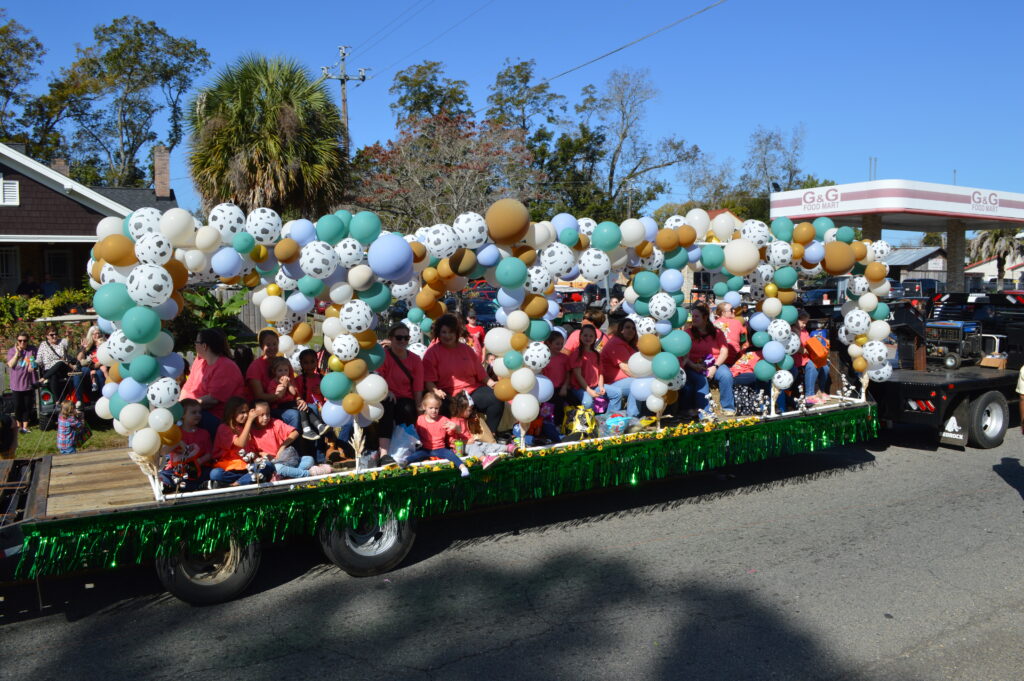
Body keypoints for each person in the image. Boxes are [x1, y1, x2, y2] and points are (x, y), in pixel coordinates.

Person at [422, 314, 504, 435]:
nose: (447, 335)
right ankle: (445, 441)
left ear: (457, 333)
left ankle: (491, 435)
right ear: (439, 333)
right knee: (439, 407)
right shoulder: (432, 352)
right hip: (448, 393)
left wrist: (492, 383)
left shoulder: (466, 349)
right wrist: (436, 391)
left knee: (495, 399)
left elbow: (481, 373)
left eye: (451, 332)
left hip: (471, 390)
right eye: (444, 332)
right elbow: (428, 380)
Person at [180, 328, 246, 440]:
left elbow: (212, 400)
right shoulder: (200, 361)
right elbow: (187, 387)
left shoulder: (226, 366)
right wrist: (179, 406)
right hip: (194, 409)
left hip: (216, 416)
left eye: (196, 342)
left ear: (204, 346)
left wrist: (184, 409)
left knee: (192, 418)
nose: (195, 345)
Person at [377, 323, 425, 460]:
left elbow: (417, 386)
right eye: (399, 338)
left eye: (406, 338)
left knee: (408, 410)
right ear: (391, 338)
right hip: (386, 395)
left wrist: (419, 406)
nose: (403, 341)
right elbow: (378, 377)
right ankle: (384, 453)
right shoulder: (384, 356)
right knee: (386, 407)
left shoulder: (415, 360)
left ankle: (406, 451)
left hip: (405, 398)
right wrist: (386, 391)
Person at [247, 400, 329, 479]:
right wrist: (260, 454)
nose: (265, 418)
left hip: (285, 460)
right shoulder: (250, 431)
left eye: (268, 414)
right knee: (278, 468)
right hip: (271, 464)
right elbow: (251, 452)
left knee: (309, 459)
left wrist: (282, 446)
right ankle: (309, 473)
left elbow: (295, 432)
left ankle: (288, 474)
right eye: (261, 415)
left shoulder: (274, 423)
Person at [683, 303, 735, 418]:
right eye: (693, 316)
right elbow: (685, 357)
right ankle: (705, 413)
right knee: (701, 380)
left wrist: (715, 367)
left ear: (705, 318)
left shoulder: (717, 333)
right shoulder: (688, 334)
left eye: (696, 316)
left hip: (714, 363)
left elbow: (724, 352)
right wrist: (694, 366)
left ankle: (728, 407)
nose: (693, 319)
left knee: (726, 375)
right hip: (694, 366)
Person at [210, 397, 276, 486]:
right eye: (242, 412)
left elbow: (251, 451)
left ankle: (236, 484)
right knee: (215, 474)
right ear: (232, 413)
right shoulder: (224, 428)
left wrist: (260, 455)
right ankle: (246, 480)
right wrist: (249, 421)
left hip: (247, 468)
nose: (246, 415)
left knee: (267, 465)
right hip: (230, 469)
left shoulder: (245, 428)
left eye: (247, 412)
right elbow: (241, 444)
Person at [246, 329, 303, 431]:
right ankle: (293, 446)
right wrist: (277, 396)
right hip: (267, 408)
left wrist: (299, 399)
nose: (272, 348)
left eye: (275, 344)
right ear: (261, 346)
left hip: (287, 403)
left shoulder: (284, 363)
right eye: (268, 345)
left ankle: (318, 445)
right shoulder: (255, 367)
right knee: (294, 415)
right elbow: (258, 396)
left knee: (311, 408)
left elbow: (293, 386)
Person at [408, 392, 471, 477]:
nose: (434, 410)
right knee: (415, 455)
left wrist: (454, 427)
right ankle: (402, 463)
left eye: (436, 408)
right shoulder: (420, 420)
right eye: (431, 408)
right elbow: (416, 434)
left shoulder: (443, 419)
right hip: (425, 449)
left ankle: (463, 468)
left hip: (440, 448)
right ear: (424, 407)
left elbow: (455, 431)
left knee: (450, 454)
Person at [449, 391, 511, 468]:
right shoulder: (454, 422)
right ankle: (484, 460)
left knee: (484, 445)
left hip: (471, 443)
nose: (470, 412)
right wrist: (466, 441)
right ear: (460, 409)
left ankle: (507, 448)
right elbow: (452, 441)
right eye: (469, 410)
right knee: (473, 447)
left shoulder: (464, 420)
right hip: (460, 448)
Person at [600, 317, 640, 417]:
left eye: (633, 328)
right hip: (611, 383)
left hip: (623, 381)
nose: (631, 330)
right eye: (627, 327)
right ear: (621, 330)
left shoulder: (628, 345)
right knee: (637, 384)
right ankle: (632, 417)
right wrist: (642, 378)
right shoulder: (616, 342)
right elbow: (625, 367)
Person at [293, 348, 330, 443]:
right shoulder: (298, 380)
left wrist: (322, 390)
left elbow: (329, 397)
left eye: (312, 362)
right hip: (308, 413)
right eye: (306, 362)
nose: (309, 365)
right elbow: (297, 397)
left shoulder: (322, 378)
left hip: (323, 412)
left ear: (317, 362)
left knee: (326, 434)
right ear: (301, 364)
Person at [795, 310, 830, 405]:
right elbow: (797, 347)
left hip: (807, 357)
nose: (804, 325)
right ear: (796, 320)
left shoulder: (804, 331)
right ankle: (809, 395)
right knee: (812, 365)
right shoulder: (794, 331)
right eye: (803, 322)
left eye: (806, 323)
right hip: (799, 359)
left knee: (825, 366)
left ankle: (820, 391)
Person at [568, 324, 605, 409]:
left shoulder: (596, 354)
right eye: (585, 335)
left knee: (616, 393)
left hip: (594, 386)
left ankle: (608, 417)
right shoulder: (577, 354)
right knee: (587, 402)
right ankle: (585, 420)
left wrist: (601, 386)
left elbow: (600, 373)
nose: (588, 338)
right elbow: (578, 375)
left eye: (591, 336)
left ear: (595, 338)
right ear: (580, 336)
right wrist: (589, 390)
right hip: (579, 388)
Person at [7, 333, 38, 433]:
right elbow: (11, 364)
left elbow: (37, 362)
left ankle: (25, 427)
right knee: (17, 405)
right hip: (16, 383)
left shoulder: (32, 350)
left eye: (25, 340)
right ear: (17, 341)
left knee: (27, 405)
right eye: (20, 340)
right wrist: (17, 353)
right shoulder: (12, 351)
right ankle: (18, 425)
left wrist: (33, 365)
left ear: (27, 341)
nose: (22, 342)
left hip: (28, 382)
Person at [37, 327, 75, 403]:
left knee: (60, 362)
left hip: (62, 369)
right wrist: (33, 364)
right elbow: (39, 359)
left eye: (56, 334)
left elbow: (69, 342)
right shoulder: (43, 345)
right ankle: (58, 401)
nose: (54, 336)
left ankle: (42, 379)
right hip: (49, 371)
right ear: (47, 336)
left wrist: (69, 335)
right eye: (51, 335)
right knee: (53, 376)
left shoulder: (62, 342)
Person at [75, 325, 107, 405]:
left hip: (101, 365)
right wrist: (83, 349)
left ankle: (103, 397)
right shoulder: (88, 346)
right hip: (89, 367)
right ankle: (82, 399)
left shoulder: (104, 343)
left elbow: (106, 357)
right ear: (91, 335)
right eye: (94, 334)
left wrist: (95, 366)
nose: (97, 335)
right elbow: (79, 359)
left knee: (99, 373)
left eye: (98, 333)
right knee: (83, 371)